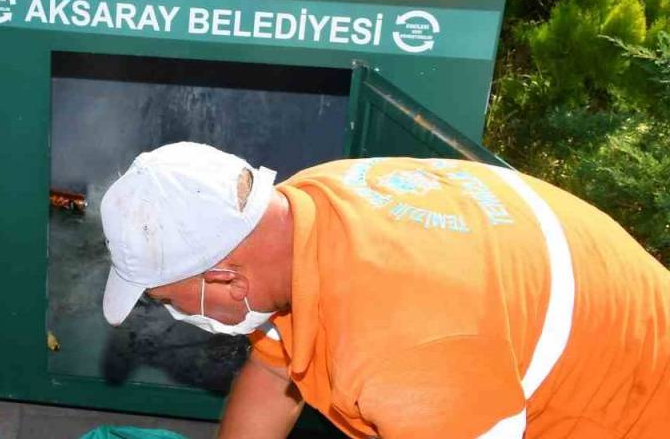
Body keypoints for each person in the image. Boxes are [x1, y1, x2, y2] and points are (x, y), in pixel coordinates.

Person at [100, 143, 669, 438]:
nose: (172, 314)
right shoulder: (308, 207)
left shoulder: (404, 348)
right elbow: (275, 372)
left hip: (636, 412)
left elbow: (424, 362)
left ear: (227, 279)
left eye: (167, 299)